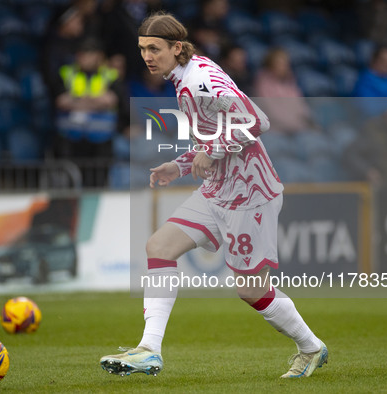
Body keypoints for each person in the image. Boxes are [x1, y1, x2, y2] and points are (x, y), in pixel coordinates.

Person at [100, 12, 327, 379]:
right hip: (218, 189)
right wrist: (182, 164)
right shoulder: (187, 76)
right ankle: (149, 350)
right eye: (142, 49)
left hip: (250, 194)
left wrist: (212, 152)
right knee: (159, 247)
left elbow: (257, 122)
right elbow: (215, 136)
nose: (147, 56)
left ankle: (311, 347)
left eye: (155, 48)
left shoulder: (199, 80)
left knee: (251, 290)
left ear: (176, 47)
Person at [53, 38, 120, 187]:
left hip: (101, 139)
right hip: (71, 138)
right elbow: (61, 101)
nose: (85, 58)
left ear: (98, 56)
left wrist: (76, 101)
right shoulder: (66, 73)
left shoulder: (110, 75)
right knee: (71, 181)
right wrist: (95, 102)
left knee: (97, 183)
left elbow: (111, 100)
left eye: (89, 54)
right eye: (82, 54)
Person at [253, 48, 318, 134]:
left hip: (297, 128)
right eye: (279, 63)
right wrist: (295, 125)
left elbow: (301, 107)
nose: (284, 67)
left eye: (285, 63)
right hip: (276, 130)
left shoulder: (291, 83)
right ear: (270, 66)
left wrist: (309, 122)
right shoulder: (262, 86)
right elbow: (272, 113)